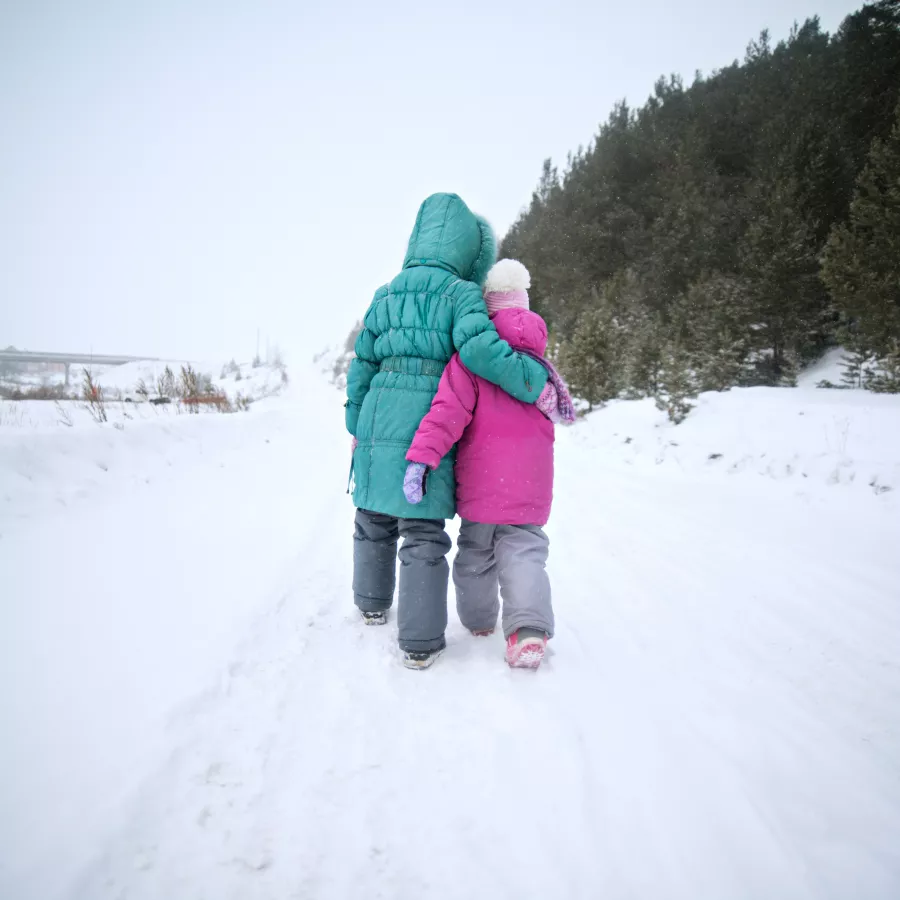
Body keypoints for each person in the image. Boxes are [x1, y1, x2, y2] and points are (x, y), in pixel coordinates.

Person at [345, 194, 555, 669]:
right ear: (467, 249)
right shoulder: (460, 295)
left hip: (378, 413)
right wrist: (529, 380)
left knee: (372, 517)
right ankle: (419, 643)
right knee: (421, 531)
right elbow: (480, 351)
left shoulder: (387, 292)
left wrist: (356, 423)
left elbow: (362, 364)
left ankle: (371, 602)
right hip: (428, 413)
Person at [403, 259, 574, 669]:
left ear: (488, 312)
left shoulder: (470, 361)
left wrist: (422, 459)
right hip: (530, 485)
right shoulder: (541, 368)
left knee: (476, 554)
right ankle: (528, 630)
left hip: (482, 483)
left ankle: (479, 621)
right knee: (525, 553)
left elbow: (446, 415)